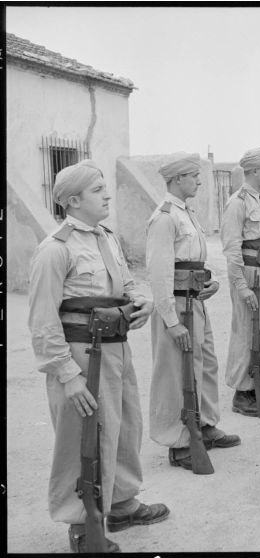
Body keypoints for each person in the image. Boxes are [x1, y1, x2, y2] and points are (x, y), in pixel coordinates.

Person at [28, 160, 169, 553]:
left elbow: (125, 285)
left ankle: (121, 502)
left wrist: (141, 302)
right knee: (82, 438)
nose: (107, 195)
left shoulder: (105, 237)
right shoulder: (53, 250)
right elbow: (42, 322)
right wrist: (67, 375)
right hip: (79, 356)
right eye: (97, 190)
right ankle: (81, 525)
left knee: (124, 426)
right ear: (73, 201)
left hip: (115, 348)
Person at [146, 152, 240, 471]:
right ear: (176, 180)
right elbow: (159, 274)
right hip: (177, 305)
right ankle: (180, 442)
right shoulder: (165, 217)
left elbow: (193, 261)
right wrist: (171, 322)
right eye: (193, 176)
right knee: (177, 373)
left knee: (206, 363)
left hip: (194, 300)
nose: (199, 180)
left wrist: (209, 281)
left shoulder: (188, 213)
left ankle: (206, 425)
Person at [220, 148, 260, 416]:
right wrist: (241, 286)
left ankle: (258, 384)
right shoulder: (238, 202)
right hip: (251, 274)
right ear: (254, 171)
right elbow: (232, 249)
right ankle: (242, 392)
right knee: (248, 331)